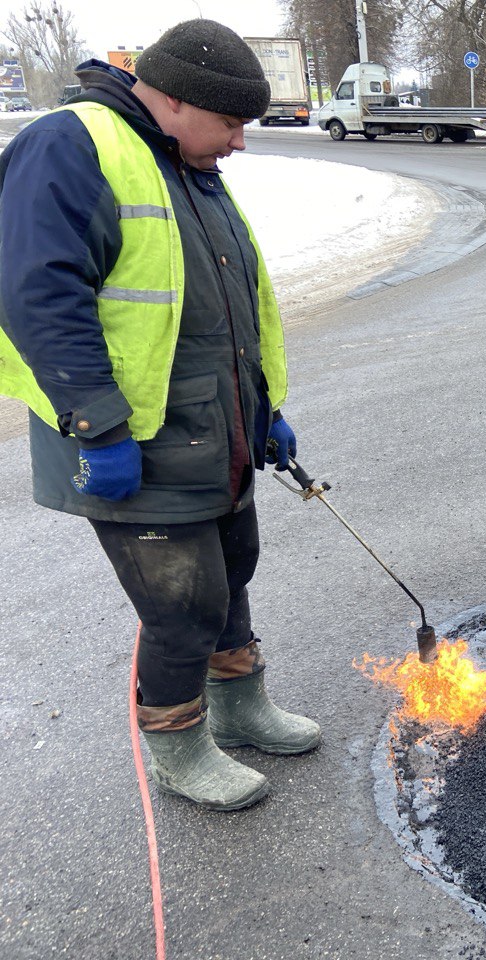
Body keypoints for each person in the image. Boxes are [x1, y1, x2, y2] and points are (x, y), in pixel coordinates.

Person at [0, 19, 319, 811]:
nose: (242, 142)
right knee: (180, 606)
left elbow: (220, 308)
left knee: (230, 574)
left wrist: (262, 411)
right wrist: (96, 425)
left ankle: (242, 709)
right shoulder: (73, 147)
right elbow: (37, 296)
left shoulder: (186, 161)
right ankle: (177, 744)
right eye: (232, 123)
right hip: (129, 443)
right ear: (175, 99)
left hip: (218, 431)